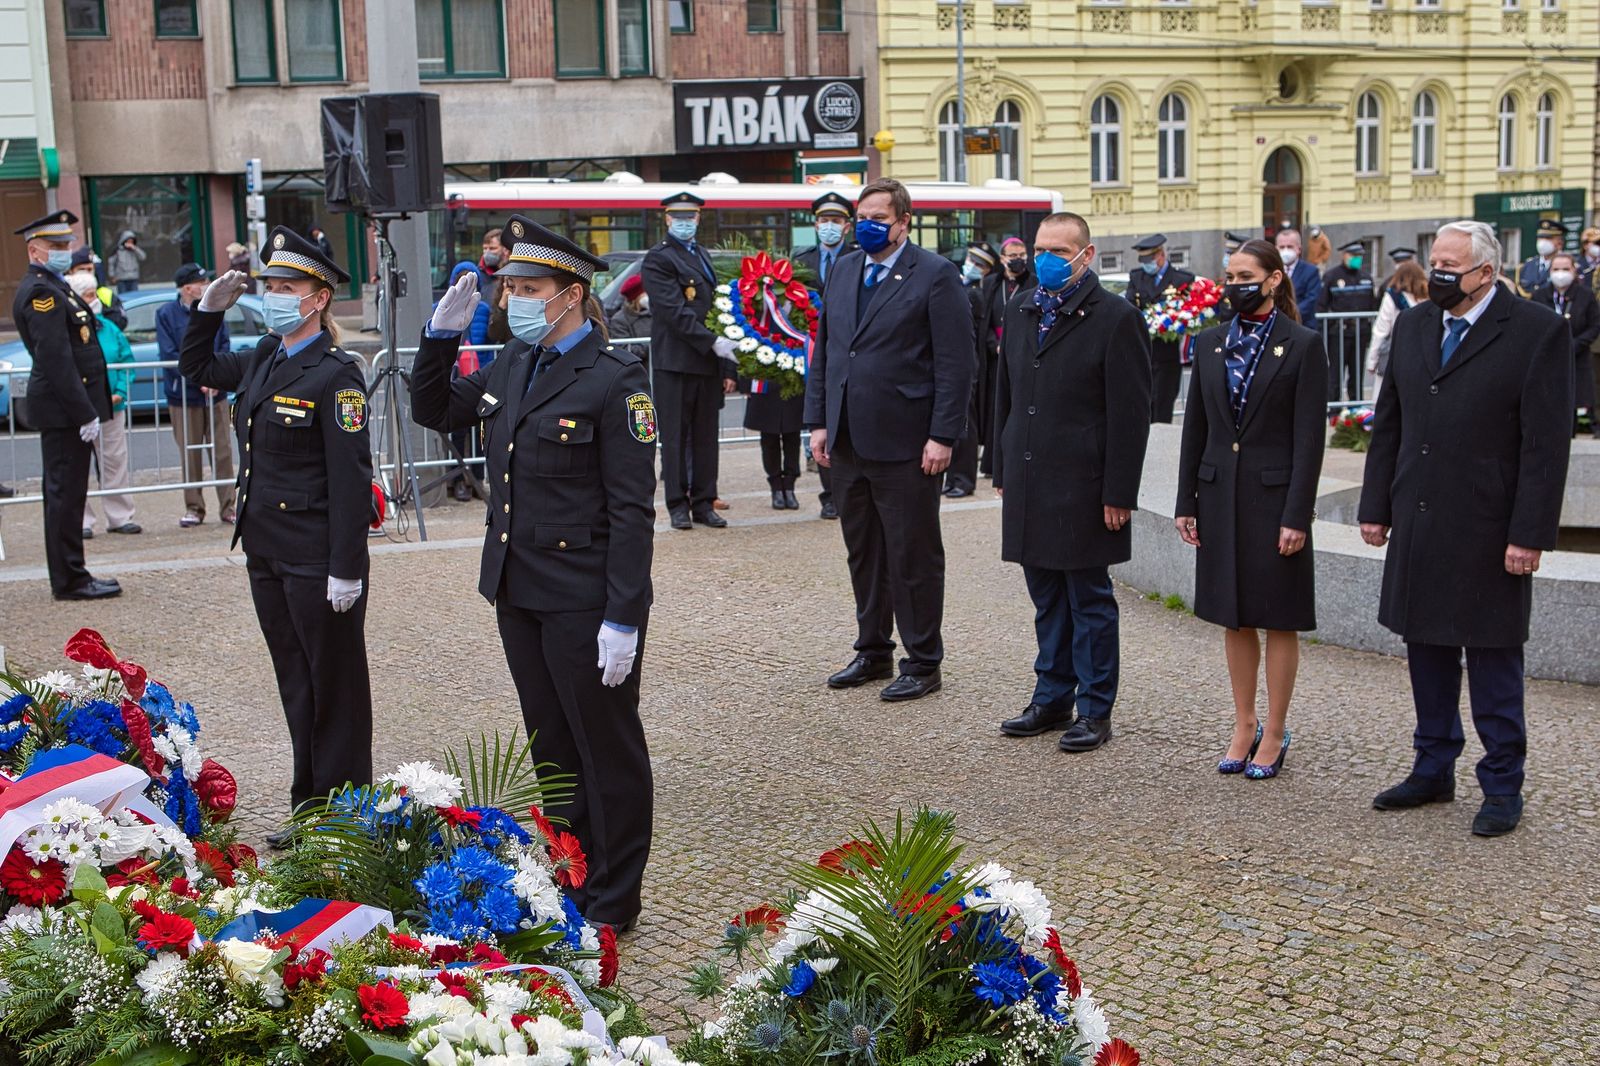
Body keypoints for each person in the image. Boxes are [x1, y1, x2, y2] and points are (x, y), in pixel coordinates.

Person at [410, 215, 656, 931]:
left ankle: (615, 896)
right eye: (508, 286)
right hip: (518, 589)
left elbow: (633, 511)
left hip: (585, 598)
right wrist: (438, 338)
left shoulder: (615, 383)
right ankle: (572, 875)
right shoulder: (517, 364)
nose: (513, 297)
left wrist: (623, 617)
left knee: (603, 746)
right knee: (552, 745)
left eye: (528, 287)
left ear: (571, 294)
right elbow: (436, 410)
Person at [1359, 220, 1573, 838]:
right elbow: (1390, 425)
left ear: (1487, 272)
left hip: (1490, 527)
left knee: (1492, 658)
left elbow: (1544, 446)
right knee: (1424, 650)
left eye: (1451, 264)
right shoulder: (1416, 323)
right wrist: (1376, 506)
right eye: (1435, 262)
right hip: (1421, 520)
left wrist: (1529, 534)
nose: (1438, 273)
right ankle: (1433, 766)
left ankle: (1503, 783)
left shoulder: (1536, 332)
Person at [181, 225, 373, 846]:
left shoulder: (335, 374)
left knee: (335, 687)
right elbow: (201, 367)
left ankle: (345, 814)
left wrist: (348, 566)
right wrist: (208, 312)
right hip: (265, 548)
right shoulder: (267, 354)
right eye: (270, 287)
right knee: (297, 681)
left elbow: (350, 480)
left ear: (317, 298)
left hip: (317, 556)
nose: (275, 297)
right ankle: (309, 806)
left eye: (286, 287)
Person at [805, 177, 973, 702]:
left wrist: (943, 435)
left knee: (912, 554)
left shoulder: (936, 275)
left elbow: (955, 363)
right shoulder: (846, 268)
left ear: (903, 222)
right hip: (849, 439)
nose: (868, 225)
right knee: (865, 552)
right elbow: (828, 351)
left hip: (907, 442)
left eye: (880, 217)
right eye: (863, 216)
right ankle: (873, 649)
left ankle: (922, 660)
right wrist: (819, 420)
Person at [993, 211, 1152, 752]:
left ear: (1086, 255)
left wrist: (1118, 492)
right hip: (1031, 473)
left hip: (1084, 480)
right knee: (1045, 596)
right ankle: (1051, 695)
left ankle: (1095, 707)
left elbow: (1130, 416)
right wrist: (1002, 464)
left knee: (1088, 598)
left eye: (1059, 251)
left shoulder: (1114, 317)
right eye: (1040, 248)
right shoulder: (1022, 308)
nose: (1045, 260)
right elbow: (1006, 394)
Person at [1174, 239, 1327, 779]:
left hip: (1274, 500)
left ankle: (1277, 730)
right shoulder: (1210, 341)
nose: (1233, 283)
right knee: (1233, 617)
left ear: (1273, 279)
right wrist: (1185, 500)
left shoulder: (1303, 345)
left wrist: (1296, 514)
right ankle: (1244, 722)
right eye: (1228, 274)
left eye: (1245, 275)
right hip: (1219, 496)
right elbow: (1196, 429)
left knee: (1278, 618)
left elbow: (1310, 440)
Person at [11, 210, 121, 599]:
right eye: (56, 246)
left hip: (68, 409)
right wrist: (84, 412)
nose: (65, 251)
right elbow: (56, 359)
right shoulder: (41, 292)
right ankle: (70, 579)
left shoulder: (55, 285)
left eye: (67, 244)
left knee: (71, 494)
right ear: (35, 250)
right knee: (64, 496)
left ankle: (75, 572)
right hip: (64, 412)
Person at [642, 191, 737, 531]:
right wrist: (712, 341)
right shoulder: (659, 258)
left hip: (707, 362)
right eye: (678, 217)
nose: (685, 223)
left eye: (691, 217)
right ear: (667, 219)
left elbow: (715, 307)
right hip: (676, 362)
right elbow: (672, 311)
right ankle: (677, 504)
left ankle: (704, 501)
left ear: (699, 218)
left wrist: (724, 355)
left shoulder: (702, 254)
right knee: (676, 435)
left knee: (705, 436)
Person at [791, 191, 855, 519]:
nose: (829, 226)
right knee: (820, 423)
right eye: (824, 221)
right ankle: (828, 495)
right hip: (807, 352)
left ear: (847, 226)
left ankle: (842, 491)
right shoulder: (801, 260)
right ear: (815, 224)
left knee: (842, 421)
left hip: (844, 353)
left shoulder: (856, 260)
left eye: (836, 221)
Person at [158, 263, 236, 528]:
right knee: (190, 453)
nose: (205, 286)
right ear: (187, 287)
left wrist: (216, 376)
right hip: (184, 397)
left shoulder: (215, 308)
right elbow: (169, 353)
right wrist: (199, 378)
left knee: (223, 451)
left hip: (215, 392)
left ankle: (229, 506)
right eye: (201, 282)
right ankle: (194, 508)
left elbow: (223, 345)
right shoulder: (166, 314)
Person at [66, 270, 141, 539]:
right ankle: (83, 520)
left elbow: (126, 360)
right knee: (79, 465)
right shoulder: (69, 329)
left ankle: (119, 516)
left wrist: (120, 389)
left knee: (114, 462)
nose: (92, 299)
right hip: (79, 409)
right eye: (86, 295)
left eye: (93, 293)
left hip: (112, 407)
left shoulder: (108, 328)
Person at [437, 261, 494, 501]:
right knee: (457, 432)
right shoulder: (441, 307)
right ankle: (457, 480)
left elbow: (490, 340)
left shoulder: (483, 309)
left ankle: (478, 479)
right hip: (455, 373)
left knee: (481, 431)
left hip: (478, 374)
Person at [945, 241, 999, 497]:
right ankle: (952, 477)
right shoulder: (956, 284)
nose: (973, 266)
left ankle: (964, 480)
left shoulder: (975, 294)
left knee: (966, 423)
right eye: (972, 260)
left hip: (967, 364)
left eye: (981, 265)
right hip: (950, 362)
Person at [1126, 233, 1196, 423]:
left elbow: (1190, 312)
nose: (1145, 263)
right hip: (1144, 352)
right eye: (1143, 259)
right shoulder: (1136, 277)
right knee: (1143, 404)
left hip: (1168, 355)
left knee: (1163, 404)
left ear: (1160, 255)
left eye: (1149, 259)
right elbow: (1131, 306)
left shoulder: (1182, 279)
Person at [1530, 251, 1600, 437]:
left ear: (1574, 271)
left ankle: (1584, 426)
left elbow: (1594, 325)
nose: (1560, 273)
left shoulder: (1585, 295)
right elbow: (1532, 324)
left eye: (1565, 269)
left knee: (1579, 394)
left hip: (1578, 352)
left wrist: (1576, 344)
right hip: (1547, 354)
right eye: (1556, 269)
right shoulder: (1539, 295)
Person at [1317, 240, 1376, 402]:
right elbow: (1321, 306)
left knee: (1357, 374)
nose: (1357, 258)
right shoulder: (1332, 276)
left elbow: (1372, 305)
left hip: (1360, 333)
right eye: (1353, 255)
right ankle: (1333, 411)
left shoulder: (1366, 277)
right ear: (1344, 255)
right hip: (1338, 333)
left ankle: (1356, 409)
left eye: (1360, 256)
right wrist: (1324, 333)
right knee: (1335, 374)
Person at [1365, 259, 1428, 399]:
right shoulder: (1428, 298)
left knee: (1387, 396)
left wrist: (1372, 360)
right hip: (1424, 352)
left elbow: (1381, 330)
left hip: (1397, 350)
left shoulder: (1393, 297)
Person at [1273, 228, 1322, 330]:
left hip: (1303, 326)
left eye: (1290, 247)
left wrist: (1289, 315)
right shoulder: (1271, 272)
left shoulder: (1311, 271)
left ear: (1299, 249)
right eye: (1282, 247)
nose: (1285, 251)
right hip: (1276, 327)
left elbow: (1311, 299)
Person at [68, 247, 126, 330]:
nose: (86, 273)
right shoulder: (65, 292)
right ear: (71, 271)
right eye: (81, 269)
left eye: (89, 269)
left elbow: (120, 321)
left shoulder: (105, 293)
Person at [606, 274, 653, 368]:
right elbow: (625, 350)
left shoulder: (656, 312)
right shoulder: (619, 320)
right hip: (642, 370)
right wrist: (652, 345)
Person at [1515, 218, 1565, 297]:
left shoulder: (1566, 267)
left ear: (1560, 242)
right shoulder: (1526, 266)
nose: (1543, 242)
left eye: (1548, 238)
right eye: (1540, 237)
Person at [478, 227, 506, 293]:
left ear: (504, 249)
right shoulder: (477, 275)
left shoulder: (510, 274)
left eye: (492, 248)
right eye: (485, 248)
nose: (487, 252)